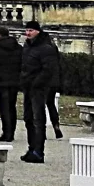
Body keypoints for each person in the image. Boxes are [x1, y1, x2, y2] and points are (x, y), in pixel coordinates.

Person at [20, 19, 59, 163]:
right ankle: (32, 147)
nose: (28, 33)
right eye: (27, 30)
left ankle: (38, 151)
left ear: (38, 31)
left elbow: (49, 69)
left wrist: (36, 83)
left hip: (39, 88)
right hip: (27, 87)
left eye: (31, 30)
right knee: (28, 118)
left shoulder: (46, 47)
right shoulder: (27, 46)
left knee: (38, 119)